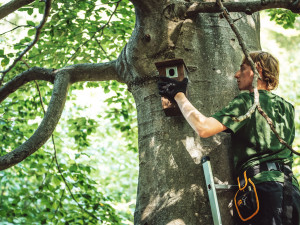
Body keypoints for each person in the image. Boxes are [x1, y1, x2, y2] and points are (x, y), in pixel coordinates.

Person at [157, 51, 300, 225]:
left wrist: (179, 95)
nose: (236, 74)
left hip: (263, 191)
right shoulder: (287, 108)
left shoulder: (247, 101)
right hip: (292, 193)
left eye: (242, 69)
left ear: (258, 71)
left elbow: (204, 128)